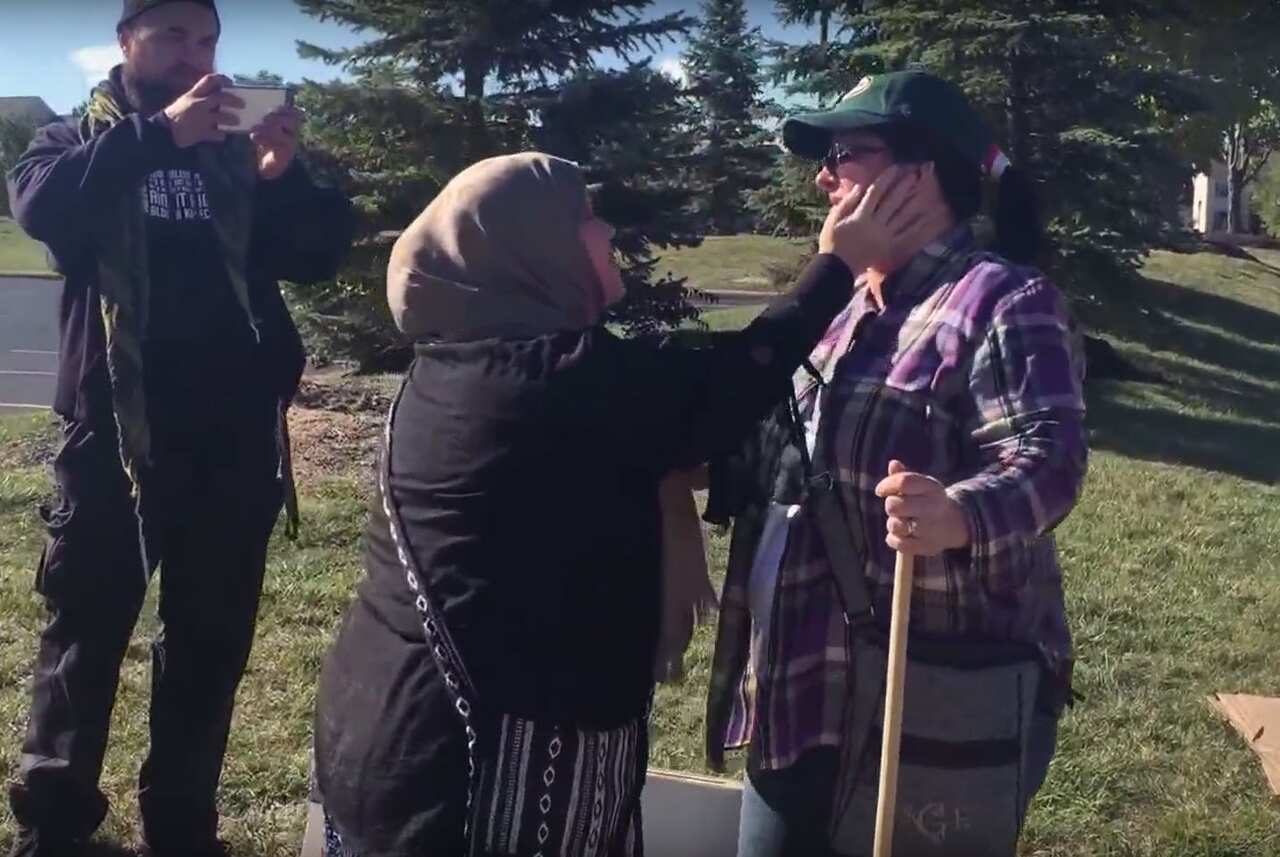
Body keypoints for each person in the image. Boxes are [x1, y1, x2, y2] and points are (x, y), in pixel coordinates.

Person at [311, 150, 951, 856]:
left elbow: (664, 425)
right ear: (532, 247)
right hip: (473, 768)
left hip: (396, 720)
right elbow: (723, 387)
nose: (607, 228)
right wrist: (835, 263)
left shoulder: (472, 362)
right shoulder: (548, 380)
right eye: (584, 217)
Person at [702, 70, 1088, 856]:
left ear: (918, 173)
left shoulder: (1002, 300)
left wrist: (960, 511)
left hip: (926, 700)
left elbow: (1049, 457)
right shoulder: (845, 304)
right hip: (802, 685)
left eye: (844, 152)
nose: (822, 175)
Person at [4, 1, 355, 855]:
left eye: (207, 41)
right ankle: (53, 827)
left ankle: (182, 823)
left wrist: (282, 175)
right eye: (173, 38)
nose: (194, 56)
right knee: (84, 632)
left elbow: (315, 254)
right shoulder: (75, 141)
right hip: (116, 434)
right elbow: (45, 210)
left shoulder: (238, 156)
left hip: (232, 432)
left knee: (209, 637)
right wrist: (157, 132)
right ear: (128, 43)